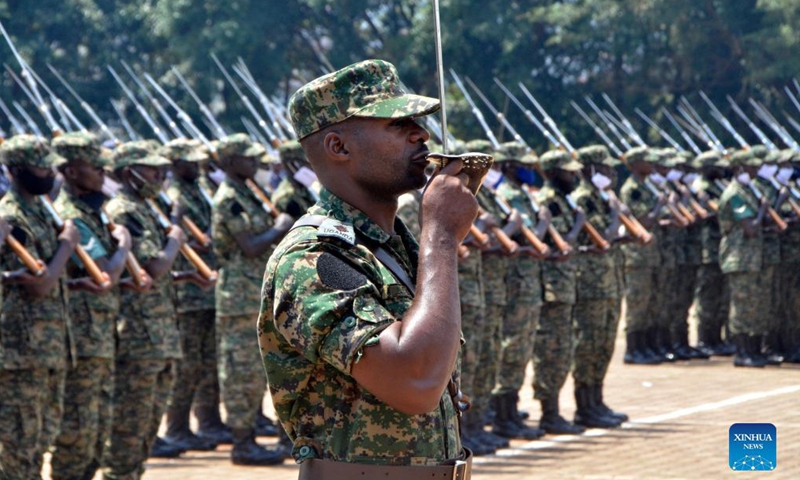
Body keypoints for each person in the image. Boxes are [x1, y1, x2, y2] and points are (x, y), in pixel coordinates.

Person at [258, 59, 476, 478]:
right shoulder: (312, 258)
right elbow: (414, 382)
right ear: (338, 147)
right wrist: (442, 237)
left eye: (417, 121)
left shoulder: (391, 246)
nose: (422, 134)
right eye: (397, 123)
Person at [104, 141, 208, 477]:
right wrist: (176, 237)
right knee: (128, 426)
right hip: (137, 333)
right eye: (150, 169)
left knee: (146, 428)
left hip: (159, 329)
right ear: (126, 173)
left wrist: (184, 275)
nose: (159, 175)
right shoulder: (124, 210)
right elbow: (153, 264)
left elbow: (155, 275)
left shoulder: (146, 207)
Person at [50, 132, 145, 480]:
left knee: (97, 432)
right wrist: (123, 245)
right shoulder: (70, 215)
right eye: (95, 169)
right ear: (73, 172)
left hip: (100, 336)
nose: (103, 177)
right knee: (77, 435)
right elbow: (106, 271)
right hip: (81, 340)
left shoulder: (94, 213)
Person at [211, 133, 293, 466]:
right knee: (241, 372)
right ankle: (242, 444)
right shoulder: (229, 198)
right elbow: (249, 246)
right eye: (247, 159)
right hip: (239, 298)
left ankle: (252, 438)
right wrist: (279, 228)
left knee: (258, 370)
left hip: (256, 293)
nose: (254, 164)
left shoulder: (248, 193)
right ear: (229, 163)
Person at [0, 134, 77, 479]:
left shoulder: (42, 212)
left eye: (50, 165)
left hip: (49, 348)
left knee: (40, 441)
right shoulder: (12, 217)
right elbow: (40, 285)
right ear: (15, 170)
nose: (48, 173)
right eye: (39, 166)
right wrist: (66, 246)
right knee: (19, 447)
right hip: (20, 352)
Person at [159, 138, 221, 451]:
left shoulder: (199, 190)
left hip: (207, 288)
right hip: (187, 292)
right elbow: (178, 240)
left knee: (206, 362)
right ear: (174, 163)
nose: (196, 166)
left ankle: (208, 422)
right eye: (189, 161)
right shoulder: (173, 197)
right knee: (186, 366)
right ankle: (176, 427)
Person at [490, 142, 549, 440]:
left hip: (526, 283)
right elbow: (533, 239)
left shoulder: (521, 195)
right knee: (512, 347)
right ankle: (503, 416)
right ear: (510, 166)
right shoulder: (509, 196)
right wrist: (543, 223)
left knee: (521, 346)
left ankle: (511, 411)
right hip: (515, 283)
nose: (530, 170)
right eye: (523, 164)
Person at [570, 145, 626, 428]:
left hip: (609, 282)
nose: (611, 173)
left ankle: (597, 400)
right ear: (589, 170)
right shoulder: (583, 199)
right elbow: (602, 236)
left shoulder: (603, 197)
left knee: (604, 344)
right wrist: (617, 217)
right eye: (604, 168)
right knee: (588, 344)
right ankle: (584, 406)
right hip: (590, 283)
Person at [532, 149, 586, 435]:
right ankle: (548, 413)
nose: (574, 176)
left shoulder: (563, 201)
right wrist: (578, 225)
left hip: (565, 287)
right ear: (552, 173)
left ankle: (555, 411)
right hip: (550, 288)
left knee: (563, 350)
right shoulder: (546, 203)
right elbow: (556, 248)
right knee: (550, 352)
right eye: (568, 171)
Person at [717, 150, 779, 367]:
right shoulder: (735, 194)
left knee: (758, 304)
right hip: (739, 257)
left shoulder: (748, 191)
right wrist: (762, 211)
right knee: (743, 306)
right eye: (751, 166)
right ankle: (743, 352)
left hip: (753, 257)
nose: (755, 170)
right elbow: (750, 228)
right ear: (739, 168)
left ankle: (754, 349)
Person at [619, 146, 665, 364]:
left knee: (651, 302)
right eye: (648, 161)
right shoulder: (632, 190)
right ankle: (633, 349)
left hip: (650, 255)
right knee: (638, 302)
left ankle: (646, 346)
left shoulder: (646, 187)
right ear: (636, 164)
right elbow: (640, 223)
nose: (652, 165)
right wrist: (658, 207)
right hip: (637, 256)